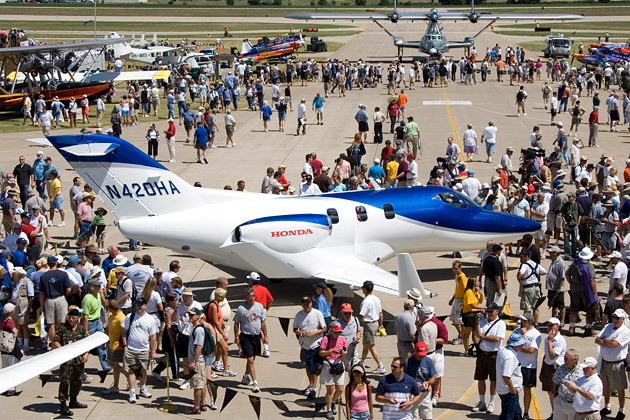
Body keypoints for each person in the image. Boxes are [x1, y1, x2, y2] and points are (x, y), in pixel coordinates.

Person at [121, 297, 158, 403]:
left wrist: (153, 351)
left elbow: (153, 337)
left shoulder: (150, 320)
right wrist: (125, 345)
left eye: (141, 305)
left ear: (145, 306)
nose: (138, 307)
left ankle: (142, 388)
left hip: (144, 350)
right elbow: (124, 331)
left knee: (143, 370)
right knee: (131, 371)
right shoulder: (130, 317)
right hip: (131, 349)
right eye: (137, 305)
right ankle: (132, 392)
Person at [595, 308, 630, 419]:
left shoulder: (625, 331)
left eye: (617, 318)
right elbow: (597, 340)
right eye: (614, 317)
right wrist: (608, 341)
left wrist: (605, 340)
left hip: (617, 363)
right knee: (606, 385)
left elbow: (615, 343)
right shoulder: (608, 326)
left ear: (623, 319)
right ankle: (607, 406)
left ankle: (621, 410)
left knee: (620, 387)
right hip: (605, 361)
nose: (615, 320)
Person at [472, 302, 506, 414]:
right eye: (488, 311)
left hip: (494, 354)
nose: (489, 313)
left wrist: (484, 337)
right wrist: (477, 323)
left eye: (491, 311)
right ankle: (482, 402)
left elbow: (497, 339)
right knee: (480, 378)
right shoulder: (483, 322)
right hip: (482, 353)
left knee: (493, 380)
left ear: (497, 311)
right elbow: (477, 334)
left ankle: (491, 402)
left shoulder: (501, 324)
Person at [53, 308, 88, 416]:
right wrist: (63, 351)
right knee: (65, 381)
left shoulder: (81, 329)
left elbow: (87, 342)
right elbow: (55, 341)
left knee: (77, 380)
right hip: (67, 361)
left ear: (78, 318)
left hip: (78, 361)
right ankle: (63, 404)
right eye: (70, 317)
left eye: (73, 318)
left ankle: (73, 400)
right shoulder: (63, 329)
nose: (71, 320)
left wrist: (86, 353)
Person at [233, 287, 267, 393]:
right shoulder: (241, 309)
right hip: (246, 337)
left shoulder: (259, 306)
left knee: (252, 358)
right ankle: (255, 382)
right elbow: (236, 323)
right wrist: (236, 337)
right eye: (249, 296)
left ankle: (246, 376)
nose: (251, 298)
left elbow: (263, 322)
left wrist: (265, 336)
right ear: (246, 297)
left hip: (256, 337)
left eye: (253, 296)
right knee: (250, 360)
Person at [293, 295, 327, 399]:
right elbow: (294, 329)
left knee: (316, 366)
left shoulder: (317, 314)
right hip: (304, 345)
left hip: (316, 344)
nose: (306, 305)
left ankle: (314, 387)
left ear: (311, 304)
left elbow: (324, 328)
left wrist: (314, 333)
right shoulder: (299, 315)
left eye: (308, 303)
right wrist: (300, 333)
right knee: (307, 365)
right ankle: (311, 384)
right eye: (304, 303)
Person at [40, 255, 72, 346]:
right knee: (61, 322)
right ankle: (61, 342)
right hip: (60, 298)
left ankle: (54, 345)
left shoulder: (44, 276)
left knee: (50, 324)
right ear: (56, 263)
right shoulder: (63, 274)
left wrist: (42, 305)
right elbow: (68, 289)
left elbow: (42, 293)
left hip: (49, 299)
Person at [514, 313, 541, 420]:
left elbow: (531, 350)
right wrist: (520, 336)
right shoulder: (517, 331)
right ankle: (516, 411)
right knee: (514, 389)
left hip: (529, 366)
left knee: (527, 390)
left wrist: (518, 346)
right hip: (516, 365)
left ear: (529, 322)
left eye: (523, 321)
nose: (521, 322)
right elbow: (510, 344)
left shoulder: (536, 334)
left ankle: (526, 412)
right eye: (521, 320)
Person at [319, 321, 348, 419]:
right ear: (331, 331)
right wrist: (330, 351)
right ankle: (328, 409)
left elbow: (345, 351)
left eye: (339, 332)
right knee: (330, 389)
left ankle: (333, 402)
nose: (338, 334)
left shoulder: (342, 339)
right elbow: (321, 353)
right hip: (328, 363)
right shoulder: (325, 339)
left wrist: (342, 353)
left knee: (340, 389)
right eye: (336, 332)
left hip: (338, 363)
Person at [81, 278, 111, 372]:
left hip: (97, 321)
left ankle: (106, 366)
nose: (99, 288)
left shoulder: (98, 295)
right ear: (92, 287)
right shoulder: (87, 299)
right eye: (97, 286)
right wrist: (85, 330)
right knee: (87, 346)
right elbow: (85, 316)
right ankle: (81, 368)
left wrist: (100, 321)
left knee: (102, 343)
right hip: (90, 323)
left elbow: (98, 310)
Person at [496, 333, 526, 420]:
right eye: (520, 344)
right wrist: (512, 390)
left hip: (505, 390)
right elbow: (506, 376)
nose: (522, 346)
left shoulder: (503, 349)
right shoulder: (510, 357)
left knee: (517, 414)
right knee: (508, 416)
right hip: (508, 392)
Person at [540, 317, 567, 414]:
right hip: (547, 367)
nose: (549, 328)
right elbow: (546, 355)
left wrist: (550, 342)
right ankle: (554, 412)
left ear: (558, 327)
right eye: (548, 325)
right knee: (549, 392)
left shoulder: (560, 340)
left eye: (552, 326)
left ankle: (558, 414)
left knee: (555, 393)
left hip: (555, 369)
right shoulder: (547, 338)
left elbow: (552, 356)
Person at [358, 280, 385, 374]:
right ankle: (362, 362)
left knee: (371, 346)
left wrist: (356, 322)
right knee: (366, 344)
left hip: (368, 325)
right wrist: (381, 325)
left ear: (365, 289)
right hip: (375, 323)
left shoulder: (366, 301)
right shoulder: (376, 299)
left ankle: (380, 365)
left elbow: (362, 315)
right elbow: (380, 314)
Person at [405, 342, 436, 420]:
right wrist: (413, 383)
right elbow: (403, 378)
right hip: (412, 394)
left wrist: (428, 382)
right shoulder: (408, 362)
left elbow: (433, 377)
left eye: (423, 355)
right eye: (419, 355)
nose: (421, 357)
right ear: (415, 351)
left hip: (425, 393)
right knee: (413, 416)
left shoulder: (428, 361)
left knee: (427, 416)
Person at [184, 307, 207, 415]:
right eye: (189, 315)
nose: (190, 317)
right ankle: (202, 404)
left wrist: (193, 361)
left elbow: (199, 347)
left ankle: (196, 407)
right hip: (199, 361)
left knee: (197, 386)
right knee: (202, 383)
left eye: (192, 315)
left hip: (197, 362)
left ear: (198, 316)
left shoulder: (198, 330)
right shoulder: (194, 328)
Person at [104, 298, 128, 395]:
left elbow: (125, 333)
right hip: (110, 343)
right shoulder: (111, 315)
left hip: (117, 346)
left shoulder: (121, 318)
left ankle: (116, 386)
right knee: (111, 364)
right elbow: (108, 328)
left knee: (115, 366)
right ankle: (128, 376)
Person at [517, 249, 547, 325]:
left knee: (527, 308)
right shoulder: (535, 264)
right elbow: (544, 271)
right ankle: (536, 324)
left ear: (527, 257)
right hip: (536, 287)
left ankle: (527, 324)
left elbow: (520, 273)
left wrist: (519, 278)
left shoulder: (525, 265)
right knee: (536, 307)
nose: (522, 259)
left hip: (528, 288)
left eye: (522, 257)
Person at [552, 349, 582, 420]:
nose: (564, 360)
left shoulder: (581, 372)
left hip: (574, 405)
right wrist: (556, 398)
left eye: (567, 358)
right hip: (561, 402)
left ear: (574, 360)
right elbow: (556, 383)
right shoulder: (561, 368)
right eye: (564, 358)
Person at [1, 303, 22, 396]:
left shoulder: (2, 321)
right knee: (13, 367)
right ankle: (11, 389)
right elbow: (15, 332)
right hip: (11, 347)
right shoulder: (10, 321)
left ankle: (4, 386)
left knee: (5, 368)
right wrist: (16, 330)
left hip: (3, 348)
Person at [462, 276, 485, 354]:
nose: (479, 282)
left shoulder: (475, 291)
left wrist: (481, 294)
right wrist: (484, 307)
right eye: (477, 281)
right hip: (468, 314)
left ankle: (475, 348)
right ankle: (466, 350)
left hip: (475, 314)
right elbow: (472, 305)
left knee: (475, 333)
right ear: (474, 283)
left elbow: (480, 301)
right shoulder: (469, 292)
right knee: (466, 333)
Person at [546, 245, 567, 322]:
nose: (550, 254)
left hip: (558, 289)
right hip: (551, 287)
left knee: (561, 306)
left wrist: (559, 288)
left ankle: (562, 321)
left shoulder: (561, 263)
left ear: (555, 253)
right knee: (553, 305)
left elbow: (562, 277)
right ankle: (553, 319)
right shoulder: (553, 261)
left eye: (551, 252)